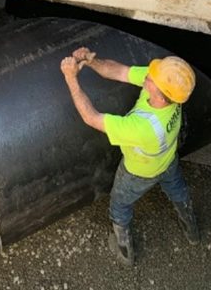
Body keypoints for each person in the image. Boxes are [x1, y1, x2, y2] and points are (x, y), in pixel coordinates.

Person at [60, 46, 198, 266]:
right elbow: (120, 71)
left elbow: (91, 118)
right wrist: (91, 61)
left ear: (160, 96)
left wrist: (71, 79)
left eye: (152, 77)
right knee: (178, 189)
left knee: (120, 205)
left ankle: (125, 252)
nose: (148, 76)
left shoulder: (144, 128)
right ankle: (191, 229)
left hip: (139, 172)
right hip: (168, 160)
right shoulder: (171, 93)